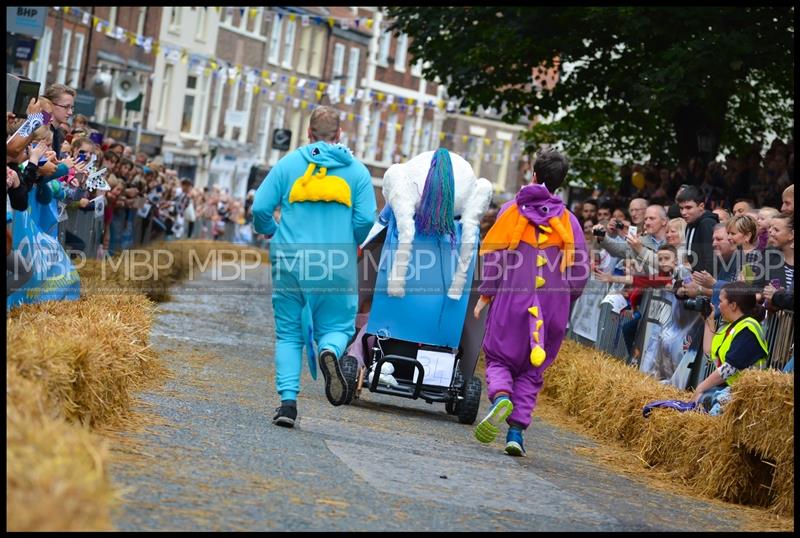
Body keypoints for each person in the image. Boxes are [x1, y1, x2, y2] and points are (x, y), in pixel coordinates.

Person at [251, 106, 376, 427]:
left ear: (308, 133)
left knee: (289, 334)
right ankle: (330, 351)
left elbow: (261, 208)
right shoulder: (358, 173)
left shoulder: (289, 163)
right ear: (339, 135)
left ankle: (288, 404)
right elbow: (365, 222)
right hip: (337, 263)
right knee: (338, 326)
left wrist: (273, 231)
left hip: (291, 260)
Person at [473, 148, 589, 456]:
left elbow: (495, 255)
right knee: (531, 371)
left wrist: (486, 293)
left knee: (498, 358)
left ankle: (500, 399)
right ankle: (515, 433)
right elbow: (579, 273)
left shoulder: (511, 210)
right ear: (560, 182)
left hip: (512, 302)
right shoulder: (571, 222)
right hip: (550, 310)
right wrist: (565, 300)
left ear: (533, 175)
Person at [691, 281, 769, 411]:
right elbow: (709, 353)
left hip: (747, 396)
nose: (718, 306)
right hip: (731, 390)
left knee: (706, 399)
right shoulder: (731, 325)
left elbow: (730, 368)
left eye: (721, 301)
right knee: (704, 399)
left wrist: (700, 387)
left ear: (733, 305)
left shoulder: (748, 327)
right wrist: (709, 320)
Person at [677, 185, 719, 274]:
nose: (684, 212)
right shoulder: (689, 224)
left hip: (706, 281)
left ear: (701, 206)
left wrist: (703, 284)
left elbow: (711, 257)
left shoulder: (707, 224)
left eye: (688, 208)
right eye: (681, 208)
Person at [43, 84, 76, 159]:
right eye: (66, 107)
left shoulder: (58, 132)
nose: (70, 112)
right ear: (50, 104)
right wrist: (63, 166)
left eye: (72, 108)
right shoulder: (42, 129)